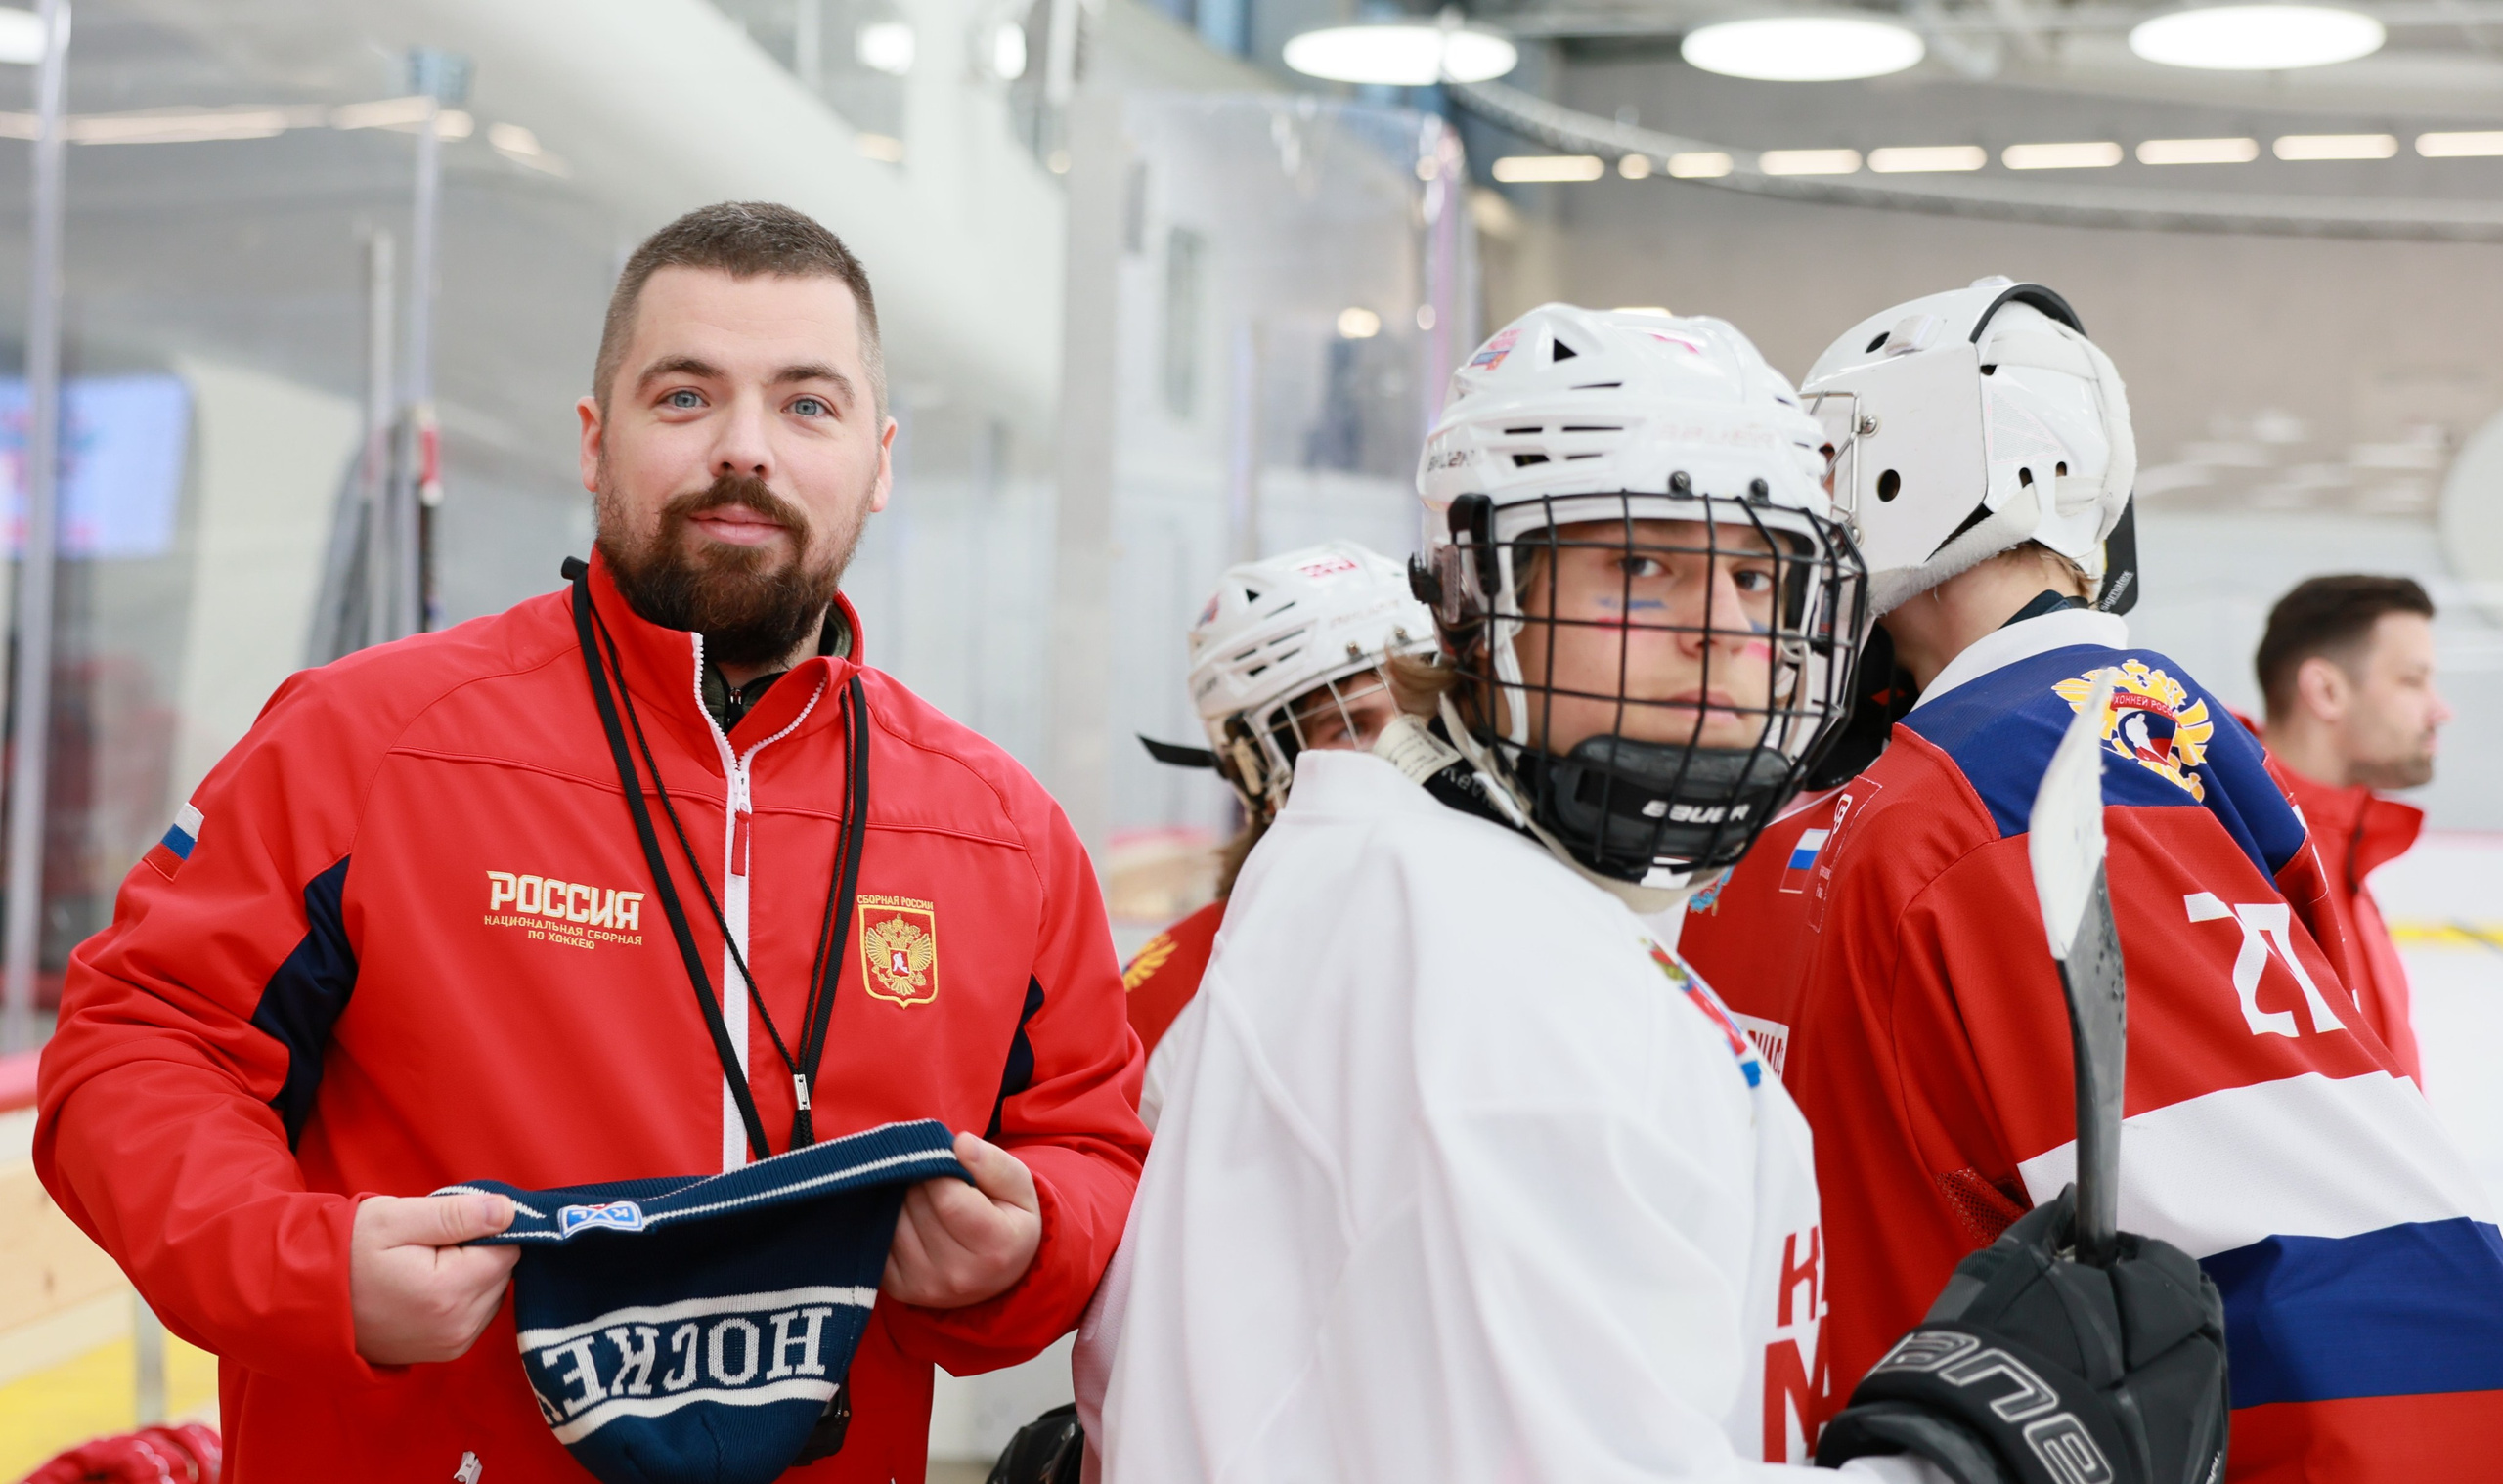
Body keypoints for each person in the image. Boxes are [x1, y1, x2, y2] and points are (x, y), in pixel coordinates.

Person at [34, 202, 1147, 1481]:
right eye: (684, 397)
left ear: (879, 460)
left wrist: (1028, 1246)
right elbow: (133, 1050)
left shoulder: (999, 832)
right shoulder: (368, 744)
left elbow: (1092, 1138)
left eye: (807, 406)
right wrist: (313, 1266)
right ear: (593, 438)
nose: (745, 450)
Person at [1095, 306, 2229, 1484]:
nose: (1727, 633)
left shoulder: (1449, 890)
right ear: (1475, 597)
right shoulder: (1477, 967)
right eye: (1641, 564)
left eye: (1757, 574)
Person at [1752, 277, 2503, 1477]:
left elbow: (2352, 1286)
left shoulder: (2024, 784)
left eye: (1836, 464)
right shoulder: (1950, 774)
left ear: (1928, 472)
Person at [1121, 540, 1437, 1123]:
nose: (1404, 750)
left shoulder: (1523, 906)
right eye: (1350, 727)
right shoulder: (1179, 988)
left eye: (1420, 715)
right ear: (1257, 766)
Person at [2252, 575, 2450, 1083]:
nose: (2440, 710)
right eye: (2413, 680)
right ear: (2326, 691)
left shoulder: (2346, 851)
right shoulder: (2231, 859)